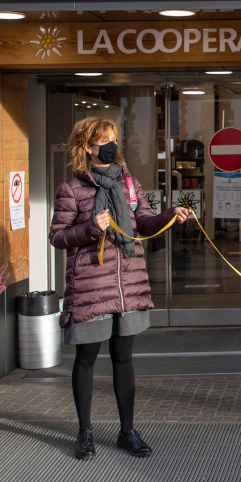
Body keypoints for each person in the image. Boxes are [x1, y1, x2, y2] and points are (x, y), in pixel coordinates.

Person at [50, 117, 191, 461]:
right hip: (91, 287)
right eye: (103, 141)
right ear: (87, 146)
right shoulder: (72, 189)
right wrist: (90, 228)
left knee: (123, 358)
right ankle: (85, 432)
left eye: (114, 138)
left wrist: (171, 214)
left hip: (128, 285)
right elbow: (57, 237)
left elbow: (143, 222)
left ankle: (127, 431)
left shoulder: (130, 184)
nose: (111, 146)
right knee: (86, 359)